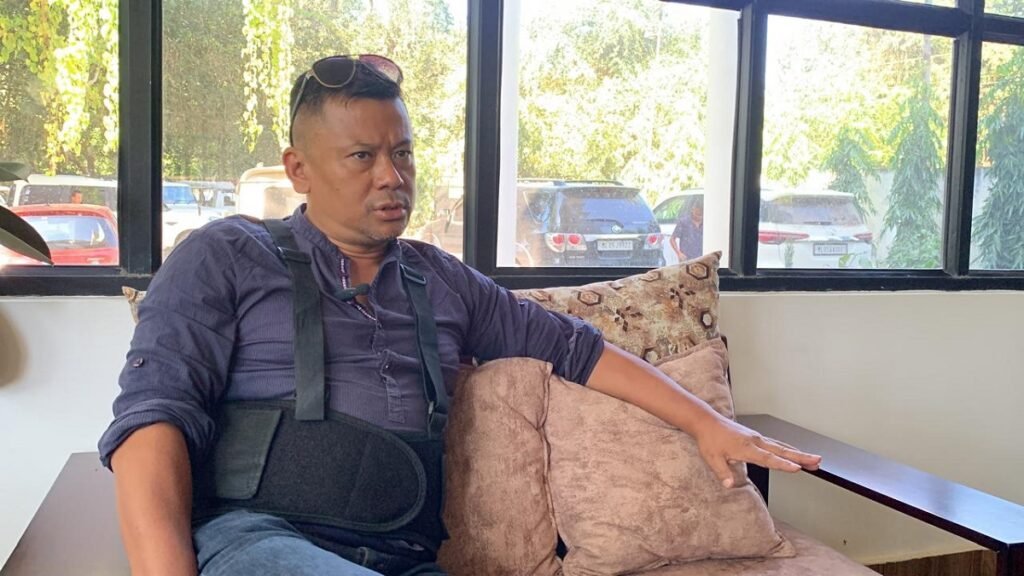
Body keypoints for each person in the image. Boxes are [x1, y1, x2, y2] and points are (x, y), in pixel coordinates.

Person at [99, 55, 820, 576]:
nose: (393, 176)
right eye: (362, 156)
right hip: (260, 541)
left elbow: (577, 349)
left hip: (406, 558)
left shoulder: (440, 280)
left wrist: (706, 421)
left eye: (403, 153)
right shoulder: (225, 254)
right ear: (299, 170)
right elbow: (152, 418)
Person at [671, 196, 704, 262]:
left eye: (701, 215)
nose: (699, 217)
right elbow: (672, 239)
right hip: (686, 259)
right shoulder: (683, 222)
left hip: (702, 259)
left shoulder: (707, 223)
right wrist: (679, 253)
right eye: (697, 214)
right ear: (692, 210)